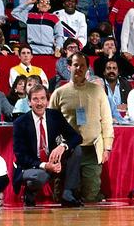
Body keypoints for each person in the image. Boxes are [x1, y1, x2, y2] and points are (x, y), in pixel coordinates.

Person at [47, 52, 112, 203]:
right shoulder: (59, 93)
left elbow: (107, 120)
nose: (79, 68)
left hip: (92, 149)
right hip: (68, 151)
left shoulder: (98, 91)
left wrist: (107, 147)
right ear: (69, 67)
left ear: (88, 68)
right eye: (76, 65)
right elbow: (50, 124)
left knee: (90, 196)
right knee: (61, 198)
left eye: (83, 65)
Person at [12, 83, 83, 207]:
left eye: (42, 98)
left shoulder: (54, 116)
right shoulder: (20, 123)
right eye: (35, 99)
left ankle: (67, 193)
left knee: (76, 150)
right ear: (29, 102)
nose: (39, 103)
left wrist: (62, 146)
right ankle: (29, 193)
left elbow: (76, 137)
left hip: (54, 160)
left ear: (47, 100)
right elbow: (21, 156)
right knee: (40, 176)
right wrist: (45, 165)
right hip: (33, 166)